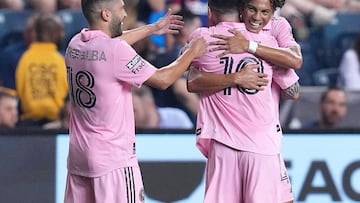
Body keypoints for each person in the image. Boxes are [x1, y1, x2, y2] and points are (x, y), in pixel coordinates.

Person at [63, 0, 207, 202]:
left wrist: (152, 29)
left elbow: (113, 45)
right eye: (121, 9)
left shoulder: (75, 44)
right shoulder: (114, 51)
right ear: (106, 14)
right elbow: (163, 79)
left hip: (79, 157)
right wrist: (192, 52)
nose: (124, 15)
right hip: (113, 159)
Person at [185, 0, 300, 202]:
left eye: (264, 12)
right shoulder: (269, 43)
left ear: (209, 13)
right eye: (252, 10)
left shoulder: (201, 38)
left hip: (221, 145)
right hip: (261, 145)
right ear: (241, 11)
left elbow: (191, 80)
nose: (257, 17)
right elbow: (293, 91)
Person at [15, 13, 68, 127]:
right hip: (55, 122)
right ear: (56, 34)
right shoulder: (60, 60)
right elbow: (67, 92)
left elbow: (19, 90)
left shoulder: (25, 59)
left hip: (28, 123)